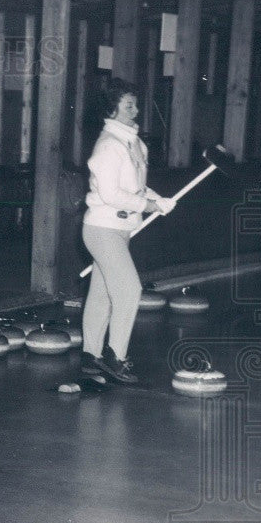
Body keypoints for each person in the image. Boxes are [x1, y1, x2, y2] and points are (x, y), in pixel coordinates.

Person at [80, 78, 176, 384]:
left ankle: (90, 355)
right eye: (128, 105)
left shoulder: (135, 143)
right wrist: (148, 206)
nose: (135, 110)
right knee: (130, 289)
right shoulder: (108, 146)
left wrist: (158, 198)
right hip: (102, 228)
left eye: (136, 103)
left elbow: (135, 187)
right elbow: (111, 195)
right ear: (111, 109)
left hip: (121, 229)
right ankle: (115, 357)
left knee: (103, 293)